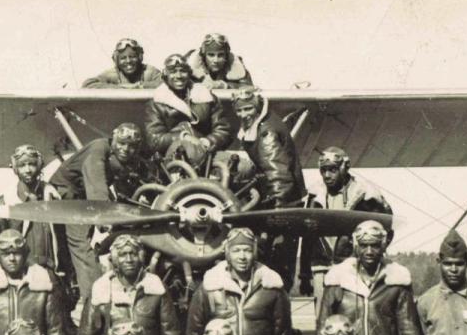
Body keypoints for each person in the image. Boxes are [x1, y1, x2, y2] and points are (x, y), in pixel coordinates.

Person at [318, 221, 425, 335]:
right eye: (364, 245)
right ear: (355, 246)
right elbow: (322, 331)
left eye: (374, 245)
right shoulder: (338, 281)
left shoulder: (396, 282)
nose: (369, 251)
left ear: (383, 246)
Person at [47, 125, 154, 295]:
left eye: (132, 145)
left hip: (82, 197)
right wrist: (104, 215)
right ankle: (94, 296)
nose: (126, 149)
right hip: (66, 194)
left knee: (80, 245)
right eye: (122, 143)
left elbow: (123, 187)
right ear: (113, 139)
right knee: (80, 243)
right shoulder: (99, 148)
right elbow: (96, 182)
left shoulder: (122, 159)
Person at [78, 234, 185, 335]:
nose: (128, 259)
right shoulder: (101, 292)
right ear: (114, 259)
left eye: (133, 254)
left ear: (141, 257)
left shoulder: (156, 289)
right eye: (122, 255)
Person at [187, 228, 292, 335]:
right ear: (227, 253)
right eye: (236, 250)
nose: (242, 256)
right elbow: (194, 333)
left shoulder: (271, 287)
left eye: (247, 250)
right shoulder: (210, 287)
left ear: (254, 252)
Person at [231, 87, 306, 284]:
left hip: (281, 204)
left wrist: (280, 210)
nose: (243, 114)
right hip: (278, 201)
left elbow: (277, 172)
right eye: (239, 111)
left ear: (256, 106)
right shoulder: (264, 123)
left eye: (248, 109)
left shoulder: (266, 133)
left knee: (276, 261)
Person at [299, 148, 393, 296]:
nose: (327, 175)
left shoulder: (366, 195)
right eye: (323, 171)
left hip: (354, 267)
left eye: (332, 170)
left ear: (344, 168)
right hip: (321, 268)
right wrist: (304, 275)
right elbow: (308, 236)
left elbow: (386, 229)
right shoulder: (314, 196)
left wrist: (373, 264)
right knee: (323, 317)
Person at [0, 144, 65, 275]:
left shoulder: (54, 201)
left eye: (32, 164)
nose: (28, 170)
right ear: (15, 168)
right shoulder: (0, 208)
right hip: (21, 277)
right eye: (22, 165)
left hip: (52, 275)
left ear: (40, 165)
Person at [144, 54, 233, 165]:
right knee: (191, 155)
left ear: (189, 73)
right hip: (175, 155)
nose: (179, 76)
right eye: (173, 72)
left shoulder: (205, 95)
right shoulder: (156, 102)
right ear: (166, 75)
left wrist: (206, 141)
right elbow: (154, 140)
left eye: (183, 71)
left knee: (243, 168)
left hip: (207, 151)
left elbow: (223, 129)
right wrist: (184, 137)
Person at [81, 37, 163, 89]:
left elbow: (167, 84)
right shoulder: (113, 74)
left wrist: (140, 86)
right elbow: (87, 85)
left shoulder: (149, 72)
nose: (128, 61)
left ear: (139, 57)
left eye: (132, 57)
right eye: (123, 58)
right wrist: (119, 88)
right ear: (116, 61)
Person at [184, 33, 253, 89]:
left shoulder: (235, 65)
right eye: (211, 55)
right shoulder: (189, 64)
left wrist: (224, 85)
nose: (216, 60)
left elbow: (249, 87)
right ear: (204, 55)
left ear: (226, 55)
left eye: (220, 55)